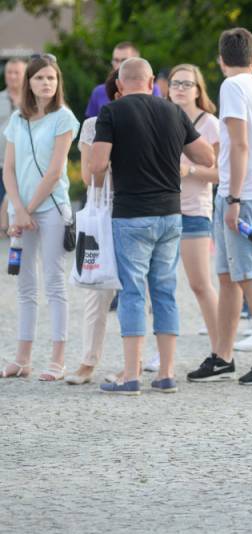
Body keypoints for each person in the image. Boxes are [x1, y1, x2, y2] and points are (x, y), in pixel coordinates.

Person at [90, 57, 214, 395]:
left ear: (119, 85)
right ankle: (166, 374)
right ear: (151, 84)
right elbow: (206, 157)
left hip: (131, 214)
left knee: (132, 292)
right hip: (171, 214)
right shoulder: (173, 111)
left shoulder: (111, 112)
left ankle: (131, 375)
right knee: (164, 290)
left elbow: (97, 164)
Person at [186, 28, 252, 386]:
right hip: (246, 190)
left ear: (221, 60)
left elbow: (240, 145)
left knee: (248, 275)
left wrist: (234, 198)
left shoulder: (232, 87)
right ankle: (223, 356)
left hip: (244, 194)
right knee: (228, 278)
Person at [1, 54, 79, 381]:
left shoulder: (64, 118)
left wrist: (28, 209)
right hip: (20, 211)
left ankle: (58, 360)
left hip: (50, 210)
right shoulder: (17, 120)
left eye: (51, 77)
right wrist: (17, 210)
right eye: (39, 78)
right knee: (25, 285)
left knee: (54, 282)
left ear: (58, 82)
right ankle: (22, 359)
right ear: (28, 83)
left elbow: (55, 172)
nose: (46, 83)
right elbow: (8, 168)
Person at [64, 70, 122, 385]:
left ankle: (133, 362)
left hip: (133, 210)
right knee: (95, 290)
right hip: (101, 213)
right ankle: (88, 361)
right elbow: (89, 176)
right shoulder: (92, 126)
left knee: (135, 291)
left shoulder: (143, 121)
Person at [164, 64, 221, 371]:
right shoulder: (162, 116)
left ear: (199, 90)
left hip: (194, 211)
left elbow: (221, 173)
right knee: (161, 286)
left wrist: (189, 170)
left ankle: (221, 351)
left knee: (200, 284)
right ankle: (163, 355)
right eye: (176, 83)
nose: (181, 89)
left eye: (187, 84)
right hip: (162, 209)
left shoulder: (210, 123)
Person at [85, 42, 161, 118]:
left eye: (124, 60)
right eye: (116, 60)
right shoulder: (99, 91)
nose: (119, 65)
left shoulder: (151, 88)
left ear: (137, 62)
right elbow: (91, 122)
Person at [1, 57, 27, 233]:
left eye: (17, 73)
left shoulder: (32, 101)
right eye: (9, 72)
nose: (12, 76)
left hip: (23, 162)